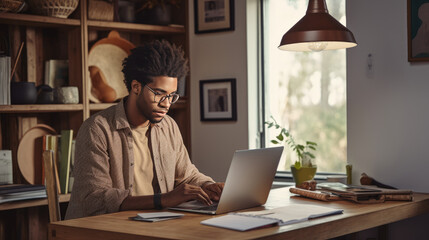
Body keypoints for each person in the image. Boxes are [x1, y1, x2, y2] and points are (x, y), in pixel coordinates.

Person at [65, 40, 224, 219]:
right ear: (136, 87)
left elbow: (187, 175)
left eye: (171, 96)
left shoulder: (168, 126)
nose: (166, 104)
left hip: (155, 226)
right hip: (105, 229)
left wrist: (208, 185)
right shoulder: (97, 129)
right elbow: (95, 198)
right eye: (159, 94)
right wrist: (163, 200)